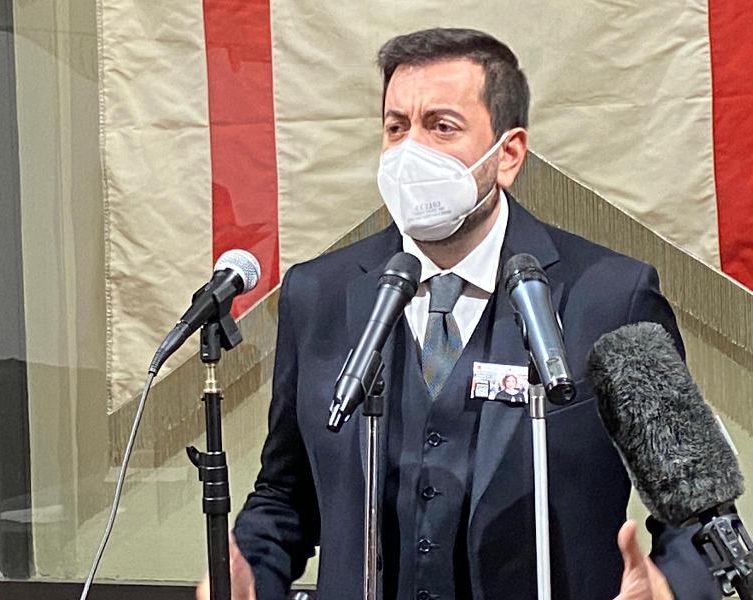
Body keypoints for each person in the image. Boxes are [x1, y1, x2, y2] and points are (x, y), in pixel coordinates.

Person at [198, 28, 720, 600]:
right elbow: (285, 494)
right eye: (396, 127)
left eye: (441, 127)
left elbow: (698, 511)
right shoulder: (318, 293)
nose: (410, 152)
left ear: (508, 154)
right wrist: (247, 573)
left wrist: (671, 587)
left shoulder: (614, 296)